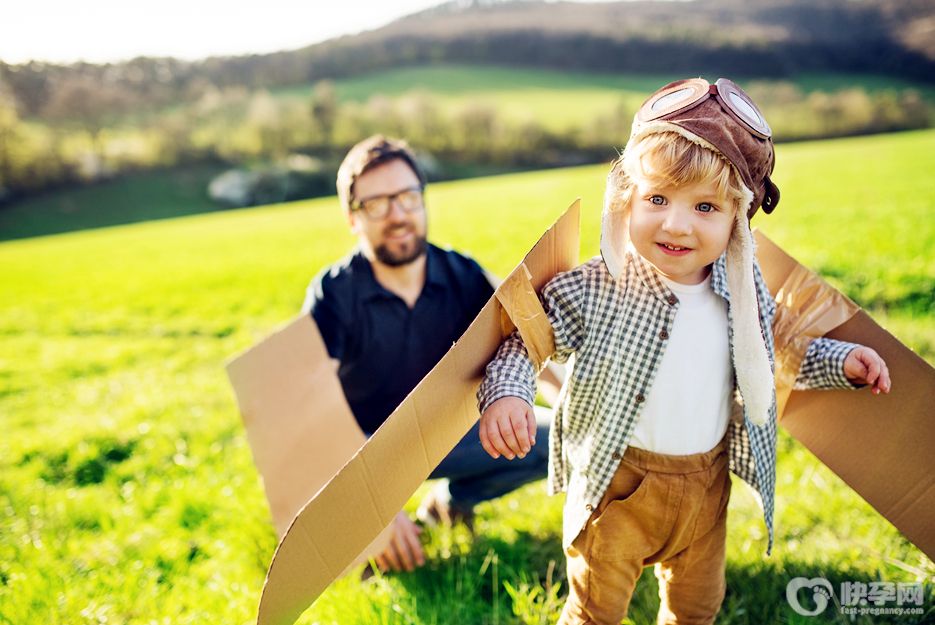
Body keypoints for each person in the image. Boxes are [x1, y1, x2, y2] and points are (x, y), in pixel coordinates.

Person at [477, 78, 891, 624]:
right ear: (626, 195)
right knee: (596, 609)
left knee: (697, 607)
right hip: (617, 485)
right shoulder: (598, 286)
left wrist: (840, 363)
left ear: (737, 222)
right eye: (657, 199)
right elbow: (524, 340)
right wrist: (507, 394)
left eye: (704, 206)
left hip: (704, 485)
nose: (676, 223)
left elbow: (777, 349)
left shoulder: (741, 291)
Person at [302, 135, 556, 573]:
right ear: (352, 218)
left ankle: (450, 505)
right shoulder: (332, 294)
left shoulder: (463, 273)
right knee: (374, 569)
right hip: (364, 452)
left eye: (407, 197)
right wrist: (369, 507)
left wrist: (575, 405)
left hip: (444, 435)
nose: (398, 215)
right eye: (376, 204)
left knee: (555, 437)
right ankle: (370, 536)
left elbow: (531, 342)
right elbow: (309, 413)